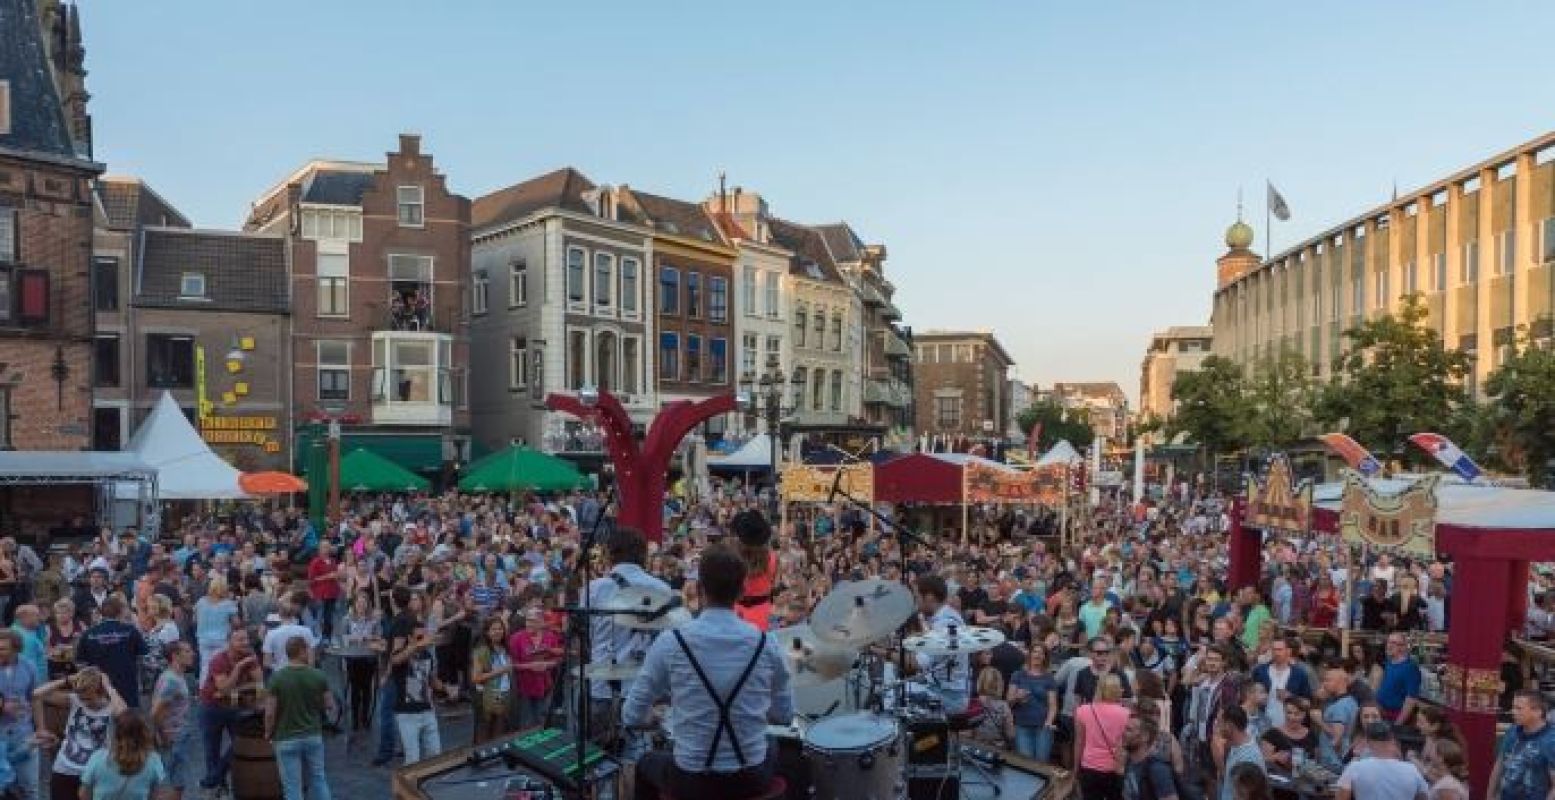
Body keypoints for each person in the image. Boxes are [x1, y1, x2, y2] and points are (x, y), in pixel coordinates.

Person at [622, 543, 793, 800]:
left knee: (645, 763)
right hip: (750, 777)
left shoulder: (671, 642)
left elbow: (631, 716)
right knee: (771, 744)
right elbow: (784, 716)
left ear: (700, 589)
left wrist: (654, 720)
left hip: (692, 779)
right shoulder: (766, 644)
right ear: (742, 590)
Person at [587, 527, 672, 743]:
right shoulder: (662, 588)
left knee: (600, 757)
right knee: (639, 753)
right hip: (645, 686)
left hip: (603, 683)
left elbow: (586, 634)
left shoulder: (594, 589)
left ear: (610, 554)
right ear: (643, 555)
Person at [35, 667, 126, 800]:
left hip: (96, 773)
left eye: (89, 698)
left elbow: (124, 713)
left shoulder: (113, 707)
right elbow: (37, 694)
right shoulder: (75, 700)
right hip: (64, 769)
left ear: (101, 692)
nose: (85, 702)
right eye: (82, 698)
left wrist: (108, 686)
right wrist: (66, 680)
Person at [264, 636, 333, 800]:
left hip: (286, 737)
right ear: (302, 652)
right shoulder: (318, 676)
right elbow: (329, 705)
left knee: (292, 787)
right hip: (312, 735)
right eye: (308, 649)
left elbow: (270, 713)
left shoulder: (277, 678)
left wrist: (268, 732)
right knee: (319, 779)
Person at [196, 629, 263, 798]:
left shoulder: (251, 658)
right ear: (230, 642)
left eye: (246, 639)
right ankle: (218, 788)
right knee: (212, 749)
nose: (245, 642)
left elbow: (260, 685)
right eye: (240, 639)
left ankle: (215, 779)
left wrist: (236, 688)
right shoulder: (219, 660)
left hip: (235, 706)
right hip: (212, 707)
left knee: (240, 743)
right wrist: (239, 668)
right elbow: (224, 688)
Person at [389, 588, 442, 763]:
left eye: (423, 632)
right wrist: (414, 648)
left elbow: (432, 681)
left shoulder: (427, 656)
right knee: (412, 759)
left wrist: (447, 688)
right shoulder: (408, 652)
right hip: (407, 712)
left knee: (435, 754)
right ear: (410, 636)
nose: (422, 636)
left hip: (427, 709)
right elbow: (395, 660)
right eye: (418, 634)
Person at [909, 574, 970, 713]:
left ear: (929, 597)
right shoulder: (943, 617)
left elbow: (918, 663)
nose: (916, 602)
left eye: (917, 597)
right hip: (940, 688)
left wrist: (882, 652)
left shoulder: (946, 623)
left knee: (894, 701)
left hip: (950, 696)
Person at [73, 598, 146, 709]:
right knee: (128, 723)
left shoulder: (88, 633)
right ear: (121, 611)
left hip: (99, 691)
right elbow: (142, 658)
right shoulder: (131, 631)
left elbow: (80, 664)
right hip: (127, 689)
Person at [77, 710, 163, 800]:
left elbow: (84, 794)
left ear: (115, 733)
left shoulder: (98, 758)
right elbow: (154, 796)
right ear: (146, 735)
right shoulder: (154, 761)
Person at [1334, 721, 1429, 800]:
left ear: (1367, 741)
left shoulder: (1355, 767)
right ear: (1392, 740)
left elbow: (1341, 797)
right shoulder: (1411, 770)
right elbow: (1424, 797)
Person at [149, 641, 195, 800]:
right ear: (175, 656)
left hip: (177, 735)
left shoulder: (175, 676)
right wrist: (163, 735)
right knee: (176, 784)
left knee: (176, 783)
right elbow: (155, 712)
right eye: (187, 651)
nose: (192, 653)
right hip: (174, 737)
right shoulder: (171, 681)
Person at [1488, 690, 1555, 800]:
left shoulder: (1551, 741)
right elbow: (1499, 765)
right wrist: (1490, 796)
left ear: (1537, 711)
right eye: (1513, 707)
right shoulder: (1513, 731)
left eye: (1519, 708)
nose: (1513, 712)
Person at [1075, 674, 1130, 800]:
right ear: (1117, 690)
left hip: (1089, 766)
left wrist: (1076, 768)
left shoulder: (1083, 711)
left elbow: (1079, 742)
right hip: (1115, 768)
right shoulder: (1126, 714)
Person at [0, 629, 40, 800]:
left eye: (3, 649)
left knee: (30, 788)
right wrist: (2, 707)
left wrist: (41, 729)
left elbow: (36, 698)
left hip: (24, 733)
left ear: (16, 648)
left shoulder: (29, 666)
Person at [508, 608, 561, 730]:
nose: (530, 624)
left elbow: (558, 660)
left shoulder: (550, 637)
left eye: (534, 621)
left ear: (542, 622)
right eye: (528, 621)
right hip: (524, 687)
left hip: (545, 686)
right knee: (526, 722)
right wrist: (530, 666)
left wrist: (547, 665)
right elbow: (510, 664)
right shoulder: (516, 638)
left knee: (543, 720)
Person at [1008, 644, 1059, 762]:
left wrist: (1048, 722)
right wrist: (1017, 697)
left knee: (1041, 763)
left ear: (1045, 657)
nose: (1037, 655)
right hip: (1022, 725)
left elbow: (1053, 706)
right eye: (1035, 652)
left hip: (1042, 727)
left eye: (1041, 653)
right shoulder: (1018, 675)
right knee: (1026, 763)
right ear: (1030, 654)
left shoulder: (1049, 678)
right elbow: (1009, 702)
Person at [730, 510, 778, 632]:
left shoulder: (732, 558)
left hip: (736, 612)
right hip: (763, 612)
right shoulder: (772, 558)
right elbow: (772, 583)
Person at [470, 617, 512, 743]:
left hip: (502, 695)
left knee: (499, 733)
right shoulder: (481, 651)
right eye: (493, 629)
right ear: (487, 632)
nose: (498, 632)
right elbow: (476, 678)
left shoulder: (505, 649)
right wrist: (500, 671)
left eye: (500, 628)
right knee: (484, 733)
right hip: (485, 697)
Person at [1123, 713, 1179, 800]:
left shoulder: (1157, 769)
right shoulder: (1130, 762)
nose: (1123, 733)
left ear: (1145, 737)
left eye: (1129, 730)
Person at [1213, 706, 1264, 800]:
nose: (1217, 726)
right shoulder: (1236, 744)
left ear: (1229, 726)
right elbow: (1225, 776)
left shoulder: (1249, 757)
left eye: (1220, 722)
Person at [193, 577, 238, 679]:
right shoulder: (228, 603)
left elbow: (195, 620)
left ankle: (203, 688)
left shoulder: (201, 601)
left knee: (204, 665)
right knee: (220, 665)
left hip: (203, 638)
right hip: (221, 638)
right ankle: (219, 688)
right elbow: (236, 623)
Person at [1376, 633, 1423, 724]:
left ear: (1403, 647)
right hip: (1381, 713)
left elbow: (1411, 699)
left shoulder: (1410, 668)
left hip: (1394, 716)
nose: (1389, 646)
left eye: (1393, 643)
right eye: (1388, 642)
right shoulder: (1389, 663)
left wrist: (1398, 724)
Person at [306, 543, 342, 645]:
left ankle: (329, 636)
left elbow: (335, 576)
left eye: (328, 547)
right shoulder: (315, 562)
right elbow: (311, 580)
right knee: (320, 616)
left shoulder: (333, 561)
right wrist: (327, 576)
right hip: (321, 594)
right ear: (320, 549)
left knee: (330, 617)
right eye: (325, 547)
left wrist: (338, 576)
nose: (327, 549)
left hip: (333, 593)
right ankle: (318, 638)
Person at [971, 666, 1014, 750]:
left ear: (980, 682)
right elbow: (1010, 734)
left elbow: (966, 733)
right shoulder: (1003, 706)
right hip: (997, 748)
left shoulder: (973, 704)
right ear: (999, 684)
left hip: (976, 748)